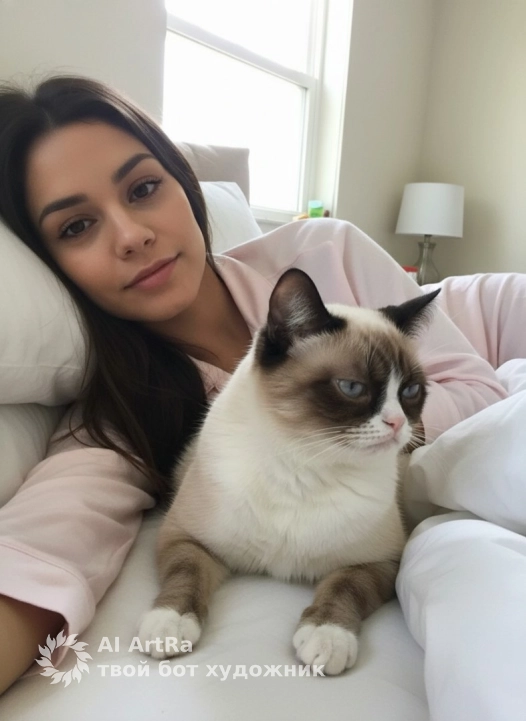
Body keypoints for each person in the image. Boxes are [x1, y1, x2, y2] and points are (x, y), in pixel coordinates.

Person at [0, 74, 515, 697]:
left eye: (143, 188)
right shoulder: (119, 416)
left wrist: (370, 429)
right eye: (77, 226)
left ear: (184, 184)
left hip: (491, 317)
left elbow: (482, 393)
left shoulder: (326, 249)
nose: (132, 235)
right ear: (52, 267)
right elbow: (42, 548)